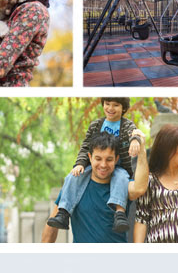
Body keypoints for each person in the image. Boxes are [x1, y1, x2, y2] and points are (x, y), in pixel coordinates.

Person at [46, 98, 144, 233]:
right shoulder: (96, 125)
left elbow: (135, 134)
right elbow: (86, 146)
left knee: (121, 178)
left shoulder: (127, 125)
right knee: (72, 176)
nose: (110, 108)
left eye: (116, 105)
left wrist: (135, 140)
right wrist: (80, 163)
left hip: (118, 165)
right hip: (96, 165)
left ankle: (119, 213)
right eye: (107, 104)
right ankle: (63, 213)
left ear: (123, 108)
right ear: (103, 105)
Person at [40, 132, 149, 243]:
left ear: (116, 159)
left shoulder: (122, 184)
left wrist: (142, 151)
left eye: (109, 159)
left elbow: (140, 188)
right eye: (98, 158)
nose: (103, 165)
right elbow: (51, 228)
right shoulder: (74, 186)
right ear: (90, 157)